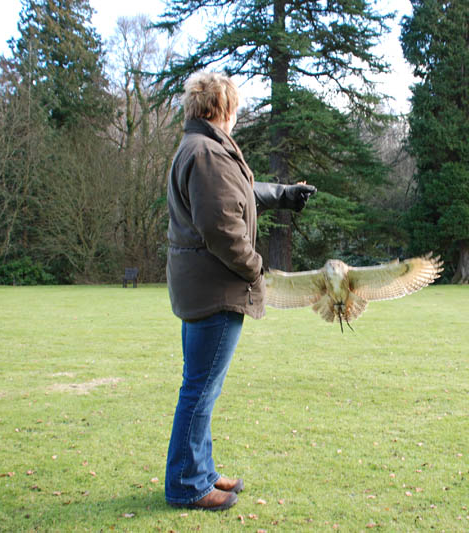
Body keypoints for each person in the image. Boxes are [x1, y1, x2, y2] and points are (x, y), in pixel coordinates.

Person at [164, 71, 316, 511]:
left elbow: (238, 195)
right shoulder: (208, 153)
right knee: (200, 390)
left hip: (199, 287)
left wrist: (282, 194)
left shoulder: (197, 146)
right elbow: (221, 227)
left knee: (201, 387)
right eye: (234, 108)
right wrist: (255, 269)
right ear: (222, 108)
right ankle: (188, 486)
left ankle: (201, 471)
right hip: (216, 289)